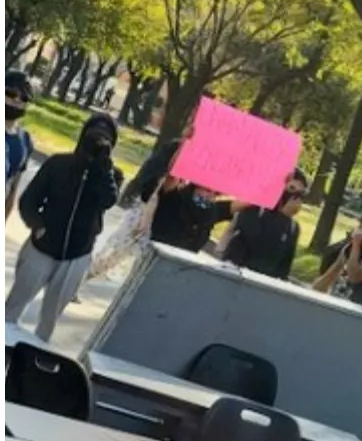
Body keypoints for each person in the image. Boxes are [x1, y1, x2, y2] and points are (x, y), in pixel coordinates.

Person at [6, 114, 123, 340]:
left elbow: (108, 200)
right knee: (12, 309)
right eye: (93, 137)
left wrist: (103, 169)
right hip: (41, 247)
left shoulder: (112, 175)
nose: (97, 143)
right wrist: (37, 225)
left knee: (48, 323)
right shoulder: (58, 164)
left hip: (77, 255)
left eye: (104, 139)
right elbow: (29, 200)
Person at [219, 170, 307, 280]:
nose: (294, 197)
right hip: (236, 277)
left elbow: (283, 267)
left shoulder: (292, 228)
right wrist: (282, 217)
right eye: (291, 189)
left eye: (299, 194)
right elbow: (255, 245)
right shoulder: (254, 211)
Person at [312, 209, 362, 303]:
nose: (358, 229)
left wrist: (356, 245)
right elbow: (332, 273)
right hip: (336, 302)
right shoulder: (349, 249)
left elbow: (354, 277)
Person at [148, 178, 235, 255]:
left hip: (185, 259)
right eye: (207, 190)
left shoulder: (212, 210)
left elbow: (237, 205)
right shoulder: (175, 198)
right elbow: (170, 181)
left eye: (215, 193)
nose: (210, 195)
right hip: (158, 251)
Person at [5, 70, 36, 217]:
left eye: (24, 98)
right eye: (10, 93)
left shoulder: (25, 140)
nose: (16, 100)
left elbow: (12, 188)